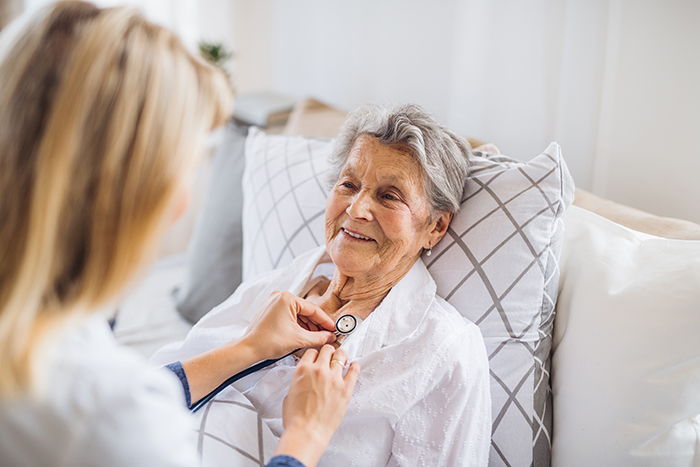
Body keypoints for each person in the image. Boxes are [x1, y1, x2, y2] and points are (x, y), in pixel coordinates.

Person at [0, 3, 358, 467]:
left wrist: (248, 349)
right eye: (183, 171)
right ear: (124, 191)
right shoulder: (110, 413)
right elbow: (111, 414)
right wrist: (305, 438)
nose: (183, 203)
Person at [153, 104, 493, 466]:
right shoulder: (271, 289)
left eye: (389, 196)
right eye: (348, 184)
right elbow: (141, 402)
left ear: (435, 227)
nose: (357, 209)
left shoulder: (444, 351)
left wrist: (306, 434)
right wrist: (249, 348)